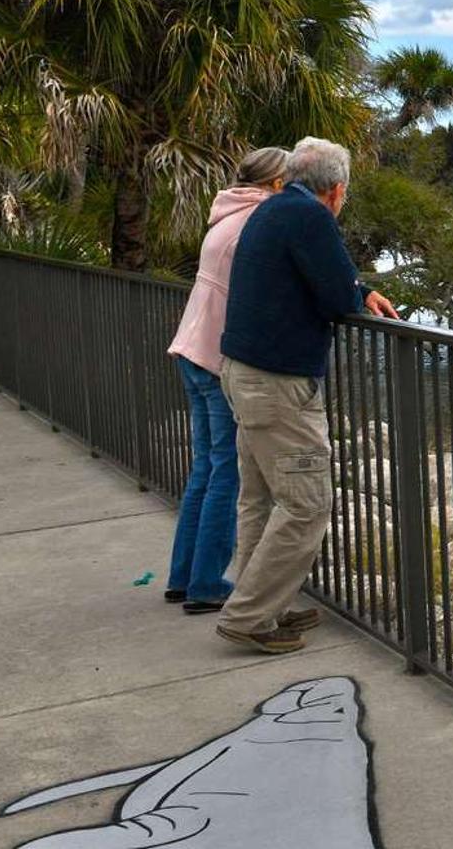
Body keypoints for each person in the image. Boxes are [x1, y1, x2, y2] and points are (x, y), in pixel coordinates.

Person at [216, 137, 398, 654]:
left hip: (244, 372)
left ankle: (260, 602)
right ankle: (249, 616)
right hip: (278, 384)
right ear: (336, 190)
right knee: (307, 505)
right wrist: (356, 294)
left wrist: (361, 291)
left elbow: (329, 281)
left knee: (259, 500)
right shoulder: (311, 218)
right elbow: (337, 293)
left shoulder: (274, 209)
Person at [162, 147, 287, 614]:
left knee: (205, 468)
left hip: (191, 348)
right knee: (225, 474)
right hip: (217, 358)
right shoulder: (255, 225)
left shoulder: (223, 217)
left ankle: (183, 576)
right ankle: (208, 583)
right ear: (275, 183)